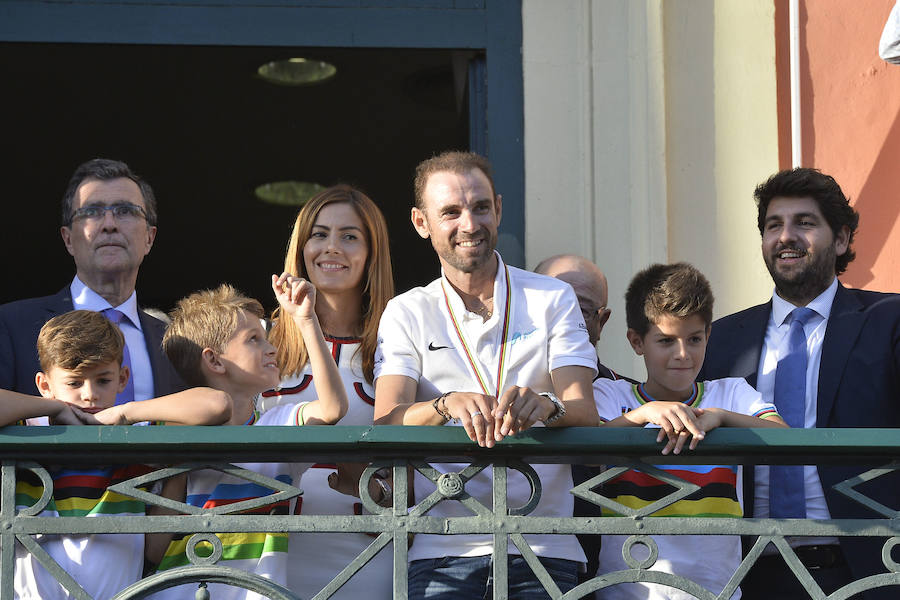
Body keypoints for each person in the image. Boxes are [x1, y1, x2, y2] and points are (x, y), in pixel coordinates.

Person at [374, 151, 599, 599]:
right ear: (421, 223)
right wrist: (443, 405)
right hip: (441, 551)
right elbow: (386, 422)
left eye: (480, 207)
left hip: (544, 547)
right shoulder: (406, 311)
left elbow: (583, 411)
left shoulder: (553, 297)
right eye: (451, 212)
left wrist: (549, 407)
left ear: (498, 207)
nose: (470, 225)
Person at [699, 167, 900, 599]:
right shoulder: (720, 340)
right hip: (747, 574)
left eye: (804, 223)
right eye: (774, 225)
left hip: (869, 568)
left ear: (842, 239)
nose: (786, 236)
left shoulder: (888, 322)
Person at [593, 263, 786, 600]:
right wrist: (643, 414)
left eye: (694, 339)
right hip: (627, 591)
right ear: (636, 341)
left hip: (716, 591)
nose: (683, 355)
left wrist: (721, 418)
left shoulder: (731, 394)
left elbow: (783, 436)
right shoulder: (612, 396)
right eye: (666, 341)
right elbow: (587, 444)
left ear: (708, 335)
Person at [7, 309, 231, 600]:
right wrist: (52, 408)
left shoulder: (134, 431)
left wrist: (126, 411)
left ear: (123, 378)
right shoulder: (29, 428)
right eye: (74, 383)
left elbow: (218, 404)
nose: (90, 395)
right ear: (44, 385)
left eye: (103, 380)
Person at [149, 280, 350, 600]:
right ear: (214, 361)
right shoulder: (174, 426)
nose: (270, 348)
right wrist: (127, 413)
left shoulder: (277, 424)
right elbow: (154, 551)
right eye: (254, 340)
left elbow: (332, 408)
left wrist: (307, 322)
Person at [258, 185, 395, 599]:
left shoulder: (400, 349)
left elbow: (427, 481)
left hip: (368, 560)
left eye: (349, 236)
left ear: (372, 253)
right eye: (319, 235)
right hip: (263, 560)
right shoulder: (257, 343)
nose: (331, 248)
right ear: (301, 248)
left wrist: (373, 490)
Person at [0, 158, 183, 407]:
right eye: (91, 212)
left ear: (149, 238)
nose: (109, 225)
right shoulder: (11, 325)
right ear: (68, 240)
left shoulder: (177, 342)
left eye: (126, 211)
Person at [534, 253, 636, 592]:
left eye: (576, 307)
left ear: (602, 320)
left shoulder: (633, 398)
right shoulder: (501, 395)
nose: (563, 318)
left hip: (622, 573)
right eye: (552, 302)